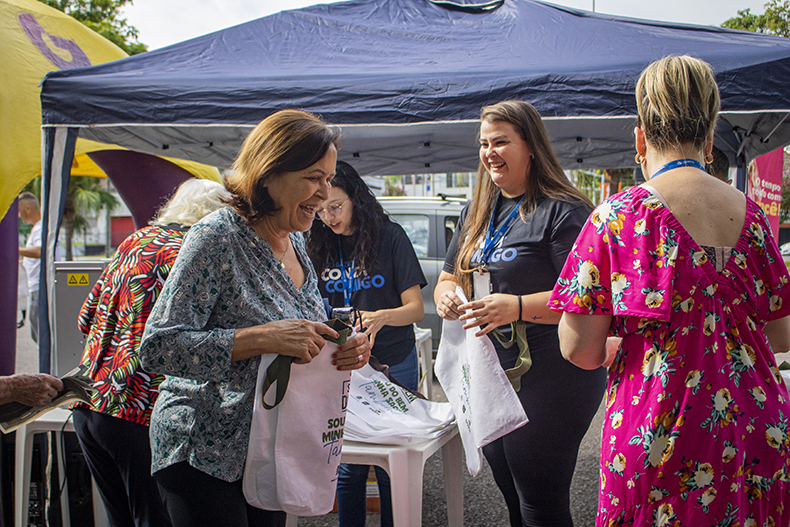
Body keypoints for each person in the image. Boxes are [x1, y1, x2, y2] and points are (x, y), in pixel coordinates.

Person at [550, 55, 790, 525]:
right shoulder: (756, 219)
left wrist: (624, 343)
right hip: (756, 435)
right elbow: (782, 335)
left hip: (660, 436)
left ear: (641, 136)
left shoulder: (617, 218)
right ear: (708, 136)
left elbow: (578, 347)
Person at [139, 109, 372, 527]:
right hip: (203, 452)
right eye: (314, 177)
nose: (324, 192)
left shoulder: (295, 242)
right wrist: (263, 337)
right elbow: (158, 348)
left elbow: (305, 332)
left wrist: (343, 347)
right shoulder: (216, 237)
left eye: (329, 178)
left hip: (268, 448)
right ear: (269, 173)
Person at [434, 100, 607, 527]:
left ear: (530, 146)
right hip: (492, 371)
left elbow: (587, 300)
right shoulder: (475, 211)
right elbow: (446, 278)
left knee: (539, 497)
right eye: (484, 143)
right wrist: (446, 296)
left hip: (554, 372)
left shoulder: (563, 210)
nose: (489, 152)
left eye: (501, 142)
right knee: (510, 486)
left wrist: (515, 307)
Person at [73, 178, 230, 527]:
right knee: (154, 518)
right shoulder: (190, 253)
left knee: (121, 519)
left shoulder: (134, 241)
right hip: (140, 407)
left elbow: (85, 319)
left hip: (90, 401)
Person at [307, 160, 426, 527]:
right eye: (321, 207)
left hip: (394, 359)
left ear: (356, 198)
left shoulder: (390, 236)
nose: (328, 215)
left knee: (394, 461)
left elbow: (416, 309)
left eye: (336, 205)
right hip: (342, 365)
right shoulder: (316, 242)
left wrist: (382, 316)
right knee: (347, 467)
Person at [18, 192, 41, 343]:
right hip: (35, 286)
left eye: (19, 211)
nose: (19, 216)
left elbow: (40, 251)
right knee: (35, 330)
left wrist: (14, 250)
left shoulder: (40, 228)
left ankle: (46, 366)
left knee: (38, 331)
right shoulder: (37, 228)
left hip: (39, 286)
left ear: (27, 208)